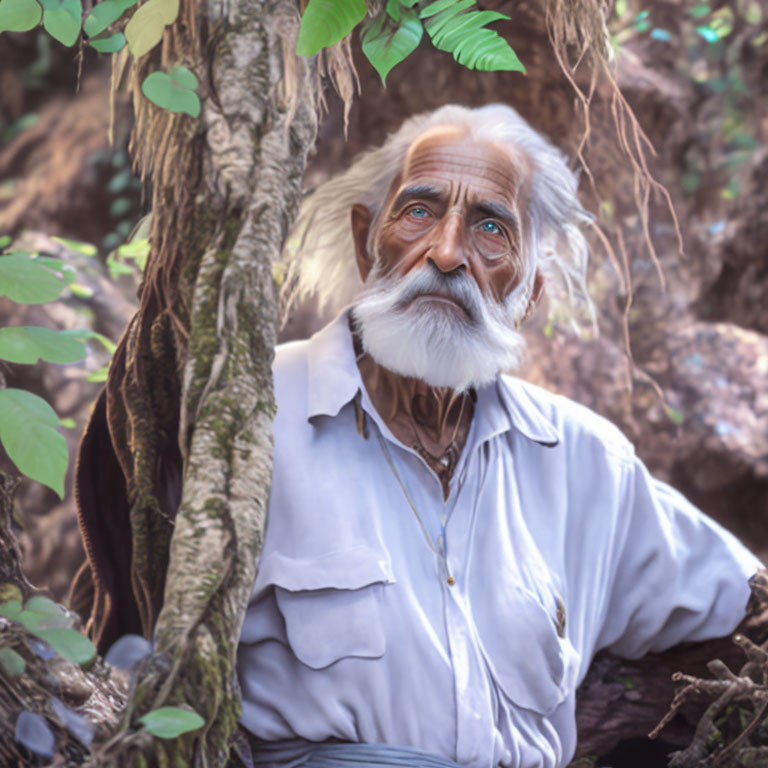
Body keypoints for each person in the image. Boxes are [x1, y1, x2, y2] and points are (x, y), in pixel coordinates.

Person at [235, 104, 761, 768]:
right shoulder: (256, 411)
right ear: (368, 237)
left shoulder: (583, 461)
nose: (448, 253)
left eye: (490, 227)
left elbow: (743, 604)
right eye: (420, 212)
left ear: (528, 291)